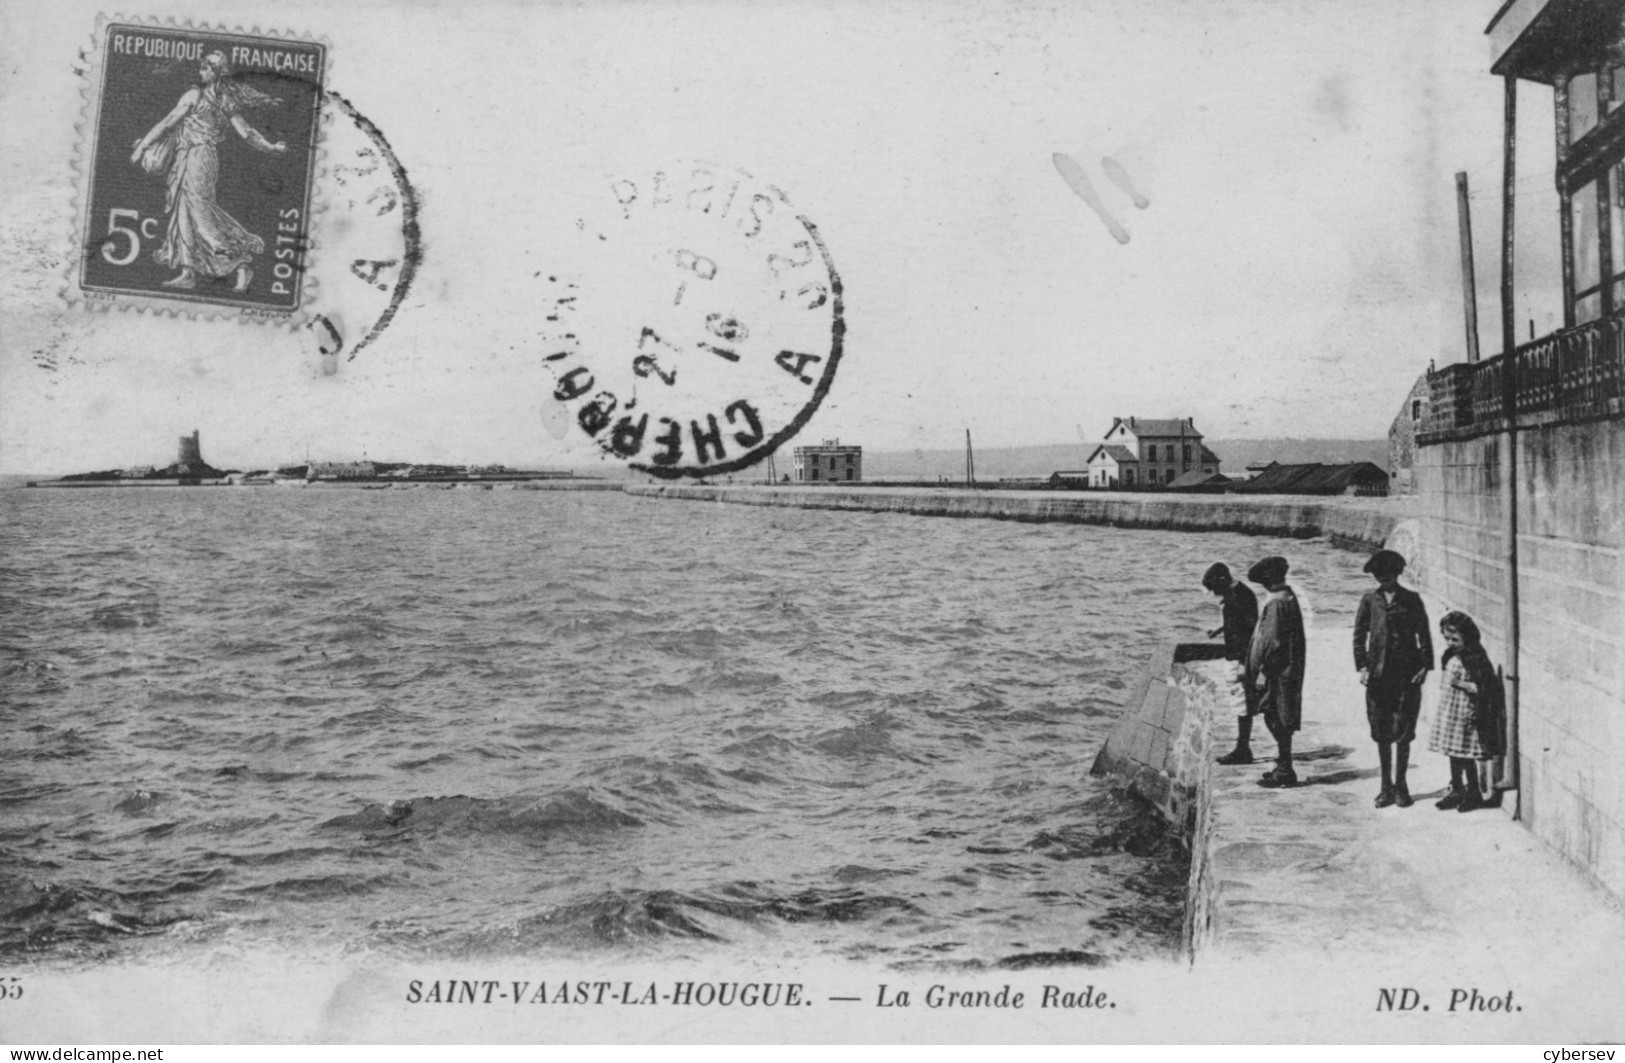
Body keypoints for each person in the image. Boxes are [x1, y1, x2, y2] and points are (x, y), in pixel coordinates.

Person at [130, 51, 288, 293]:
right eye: (201, 66)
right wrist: (272, 147)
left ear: (214, 72)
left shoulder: (199, 96)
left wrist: (141, 148)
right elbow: (246, 132)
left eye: (205, 67)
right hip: (190, 157)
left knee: (201, 213)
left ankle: (240, 263)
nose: (200, 71)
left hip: (199, 157)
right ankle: (188, 271)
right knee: (184, 212)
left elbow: (167, 123)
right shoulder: (221, 99)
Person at [1353, 549, 1433, 809]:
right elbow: (1359, 635)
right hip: (1377, 677)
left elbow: (1424, 634)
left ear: (1397, 574)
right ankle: (1385, 787)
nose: (1383, 580)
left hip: (1406, 676)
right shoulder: (1369, 600)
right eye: (1379, 576)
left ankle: (1402, 786)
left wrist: (1425, 666)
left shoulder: (1411, 600)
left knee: (1404, 731)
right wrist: (1362, 667)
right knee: (1381, 731)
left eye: (1387, 576)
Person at [1428, 611, 1506, 812]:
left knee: (1466, 755)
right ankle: (1457, 789)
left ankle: (1473, 793)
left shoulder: (1476, 658)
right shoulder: (1449, 655)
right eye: (1447, 638)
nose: (1450, 643)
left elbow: (1487, 689)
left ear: (1467, 637)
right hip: (1450, 712)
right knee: (1453, 753)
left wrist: (1463, 684)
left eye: (1455, 639)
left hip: (1468, 714)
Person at [1246, 555, 1306, 788]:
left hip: (1278, 672)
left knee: (1276, 716)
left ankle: (1284, 769)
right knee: (1281, 715)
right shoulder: (1288, 597)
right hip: (1286, 669)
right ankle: (1283, 766)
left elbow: (1274, 643)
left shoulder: (1277, 603)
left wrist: (1263, 672)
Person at [1202, 562, 1260, 765]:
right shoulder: (1237, 594)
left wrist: (1244, 663)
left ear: (1222, 581)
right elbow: (1237, 622)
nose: (1215, 594)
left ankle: (1243, 749)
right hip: (1235, 656)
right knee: (1241, 704)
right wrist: (1219, 630)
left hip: (1239, 658)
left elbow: (1251, 631)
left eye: (1215, 589)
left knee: (1242, 704)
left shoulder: (1239, 597)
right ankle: (1242, 747)